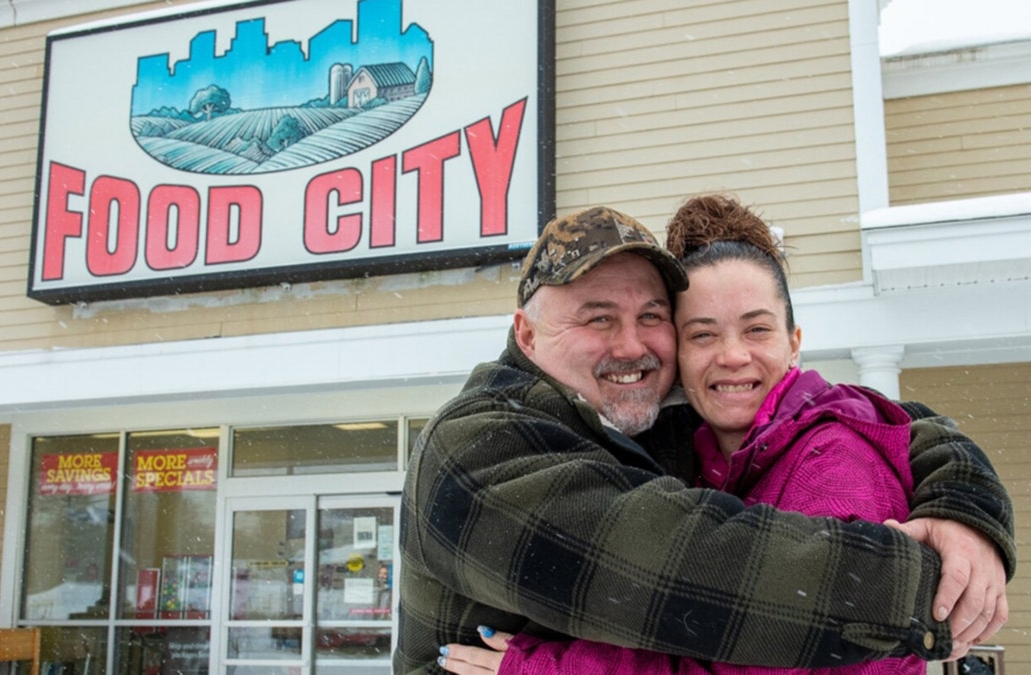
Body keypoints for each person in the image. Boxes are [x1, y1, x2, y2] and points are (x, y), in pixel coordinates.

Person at [395, 205, 1014, 674]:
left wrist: (963, 510)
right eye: (598, 317)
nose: (631, 345)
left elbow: (884, 424)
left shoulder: (648, 419)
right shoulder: (477, 446)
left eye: (651, 317)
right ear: (526, 335)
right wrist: (927, 585)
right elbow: (684, 572)